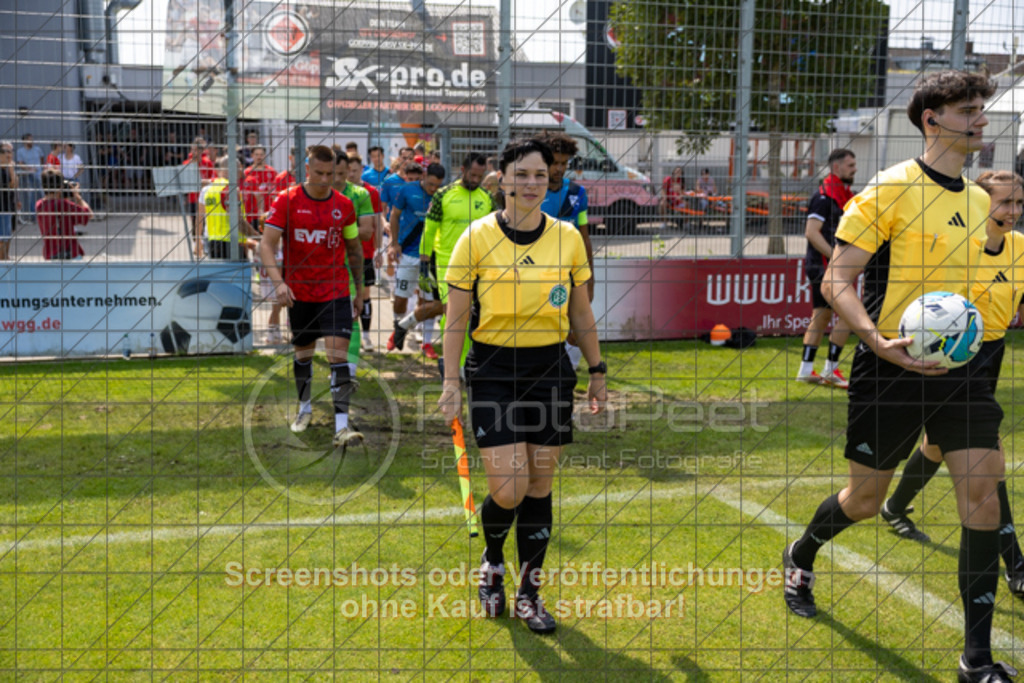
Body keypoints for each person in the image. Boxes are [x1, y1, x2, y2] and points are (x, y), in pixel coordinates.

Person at [781, 70, 1014, 682]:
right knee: (864, 500)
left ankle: (977, 658)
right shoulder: (888, 190)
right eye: (969, 111)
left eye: (981, 110)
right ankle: (801, 552)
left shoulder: (978, 201)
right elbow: (836, 279)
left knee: (983, 501)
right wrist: (875, 340)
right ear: (932, 119)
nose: (982, 121)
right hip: (888, 371)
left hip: (959, 376)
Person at [438, 138, 606, 634]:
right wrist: (451, 379)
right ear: (503, 180)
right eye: (523, 175)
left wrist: (596, 372)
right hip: (493, 369)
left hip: (551, 369)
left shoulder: (568, 238)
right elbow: (456, 319)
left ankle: (530, 592)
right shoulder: (475, 237)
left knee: (539, 484)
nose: (533, 183)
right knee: (508, 489)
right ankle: (492, 562)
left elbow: (580, 311)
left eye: (540, 175)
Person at [878, 170, 1024, 583]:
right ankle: (1016, 562)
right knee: (988, 456)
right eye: (1003, 203)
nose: (1012, 212)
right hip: (954, 363)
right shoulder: (962, 250)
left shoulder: (1021, 248)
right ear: (981, 204)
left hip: (992, 356)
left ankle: (893, 508)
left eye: (1018, 203)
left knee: (939, 445)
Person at [259, 145, 365, 449]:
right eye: (319, 173)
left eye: (330, 174)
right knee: (303, 355)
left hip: (335, 292)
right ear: (307, 169)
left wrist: (358, 290)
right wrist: (279, 283)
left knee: (338, 357)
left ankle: (341, 427)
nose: (324, 179)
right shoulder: (287, 200)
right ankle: (304, 408)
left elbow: (355, 250)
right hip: (300, 294)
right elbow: (266, 245)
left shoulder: (344, 205)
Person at [412, 153, 492, 370]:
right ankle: (452, 364)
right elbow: (429, 231)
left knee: (473, 315)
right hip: (448, 263)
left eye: (480, 176)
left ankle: (464, 362)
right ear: (463, 169)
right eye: (472, 174)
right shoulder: (443, 195)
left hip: (478, 264)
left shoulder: (486, 197)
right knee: (455, 314)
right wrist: (423, 266)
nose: (475, 179)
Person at [795, 149, 857, 389]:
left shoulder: (842, 194)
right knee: (850, 314)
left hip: (827, 266)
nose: (855, 168)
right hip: (824, 266)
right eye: (850, 165)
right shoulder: (823, 197)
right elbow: (811, 232)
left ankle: (806, 370)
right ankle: (830, 369)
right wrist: (836, 258)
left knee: (821, 317)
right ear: (836, 168)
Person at [387, 163, 446, 358]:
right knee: (401, 298)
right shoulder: (406, 190)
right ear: (424, 176)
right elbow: (394, 216)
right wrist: (394, 243)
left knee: (429, 300)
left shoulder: (443, 195)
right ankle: (398, 328)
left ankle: (426, 342)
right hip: (408, 253)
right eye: (430, 184)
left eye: (437, 186)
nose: (433, 189)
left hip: (431, 255)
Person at [346, 152, 385, 352]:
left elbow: (377, 222)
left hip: (366, 253)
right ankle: (348, 338)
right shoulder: (340, 192)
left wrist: (379, 250)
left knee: (365, 294)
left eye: (355, 170)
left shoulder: (370, 192)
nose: (351, 174)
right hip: (343, 255)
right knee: (346, 295)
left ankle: (367, 336)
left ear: (362, 170)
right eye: (348, 170)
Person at [195, 156, 257, 260]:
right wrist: (257, 237)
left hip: (213, 241)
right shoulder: (231, 189)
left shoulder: (207, 189)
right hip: (232, 242)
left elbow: (199, 216)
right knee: (237, 274)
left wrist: (197, 240)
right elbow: (238, 220)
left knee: (220, 274)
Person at [36, 168, 89, 260]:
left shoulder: (39, 205)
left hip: (50, 252)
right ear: (60, 186)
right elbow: (88, 214)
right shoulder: (63, 204)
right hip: (69, 252)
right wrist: (77, 196)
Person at [183, 137, 215, 236]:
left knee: (205, 218)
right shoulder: (186, 163)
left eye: (196, 150)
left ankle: (204, 239)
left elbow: (212, 178)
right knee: (194, 218)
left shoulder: (207, 162)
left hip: (205, 194)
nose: (194, 152)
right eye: (192, 150)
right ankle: (196, 238)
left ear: (201, 151)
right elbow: (185, 180)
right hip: (192, 196)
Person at [241, 145, 277, 226]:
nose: (259, 157)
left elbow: (276, 191)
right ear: (252, 156)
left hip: (269, 212)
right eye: (256, 154)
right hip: (252, 214)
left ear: (265, 155)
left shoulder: (271, 172)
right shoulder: (247, 172)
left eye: (261, 154)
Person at [15, 133, 44, 224]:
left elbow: (42, 159)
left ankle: (45, 215)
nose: (31, 141)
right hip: (29, 176)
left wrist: (40, 168)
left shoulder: (37, 149)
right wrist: (29, 169)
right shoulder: (20, 151)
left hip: (39, 175)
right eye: (29, 139)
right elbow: (20, 163)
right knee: (31, 196)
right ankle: (34, 217)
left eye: (32, 139)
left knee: (43, 194)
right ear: (24, 141)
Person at [0, 142, 18, 260]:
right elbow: (12, 185)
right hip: (2, 207)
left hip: (9, 205)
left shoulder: (7, 168)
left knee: (9, 233)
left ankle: (6, 256)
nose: (9, 155)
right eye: (6, 152)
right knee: (2, 237)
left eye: (11, 152)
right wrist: (11, 169)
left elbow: (15, 185)